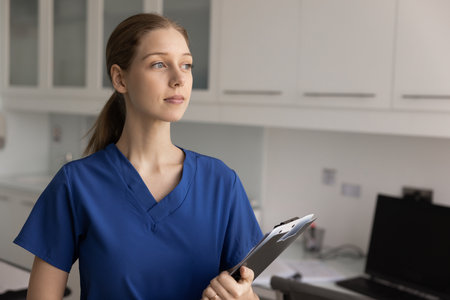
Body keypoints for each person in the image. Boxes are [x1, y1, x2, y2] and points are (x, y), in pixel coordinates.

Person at [14, 13, 263, 300]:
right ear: (120, 78)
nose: (179, 78)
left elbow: (245, 290)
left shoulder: (221, 183)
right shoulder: (76, 184)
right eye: (159, 64)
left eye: (186, 65)